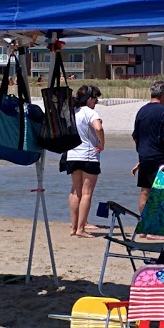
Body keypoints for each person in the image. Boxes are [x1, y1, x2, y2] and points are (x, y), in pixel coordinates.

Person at [64, 84, 104, 237]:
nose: (96, 102)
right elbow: (98, 128)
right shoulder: (90, 112)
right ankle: (81, 228)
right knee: (86, 193)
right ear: (89, 99)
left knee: (75, 191)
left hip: (72, 155)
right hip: (88, 156)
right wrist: (102, 143)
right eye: (95, 98)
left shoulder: (73, 112)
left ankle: (74, 227)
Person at [130, 80, 164, 212]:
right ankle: (158, 226)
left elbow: (135, 136)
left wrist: (142, 152)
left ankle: (144, 227)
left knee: (145, 191)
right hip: (160, 157)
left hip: (144, 156)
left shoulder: (141, 111)